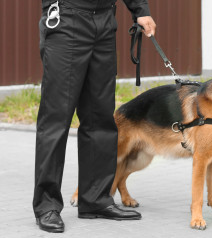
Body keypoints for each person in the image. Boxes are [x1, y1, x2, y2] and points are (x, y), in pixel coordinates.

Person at [33, 0, 156, 233]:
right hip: (66, 18)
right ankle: (46, 206)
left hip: (105, 20)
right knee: (56, 119)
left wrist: (140, 11)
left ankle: (96, 199)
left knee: (100, 117)